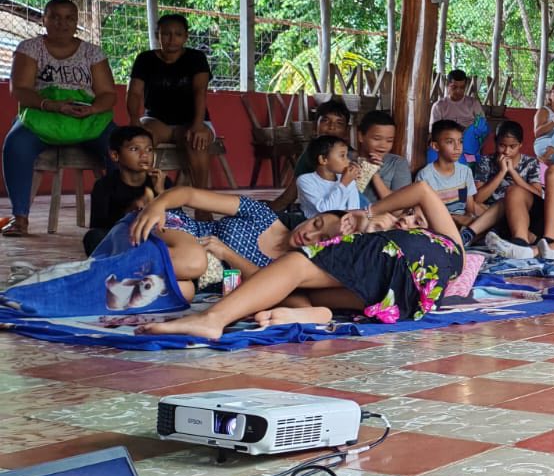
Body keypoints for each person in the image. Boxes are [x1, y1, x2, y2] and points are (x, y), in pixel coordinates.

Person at [138, 181, 461, 339]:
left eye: (416, 221)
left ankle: (212, 319)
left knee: (296, 266)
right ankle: (314, 313)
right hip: (408, 300)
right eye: (409, 216)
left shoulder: (429, 241)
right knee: (305, 288)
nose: (408, 220)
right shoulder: (453, 259)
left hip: (395, 256)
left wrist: (369, 211)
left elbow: (422, 189)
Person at [3, 0, 116, 238]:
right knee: (15, 144)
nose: (61, 23)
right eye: (54, 17)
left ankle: (121, 215)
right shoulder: (30, 48)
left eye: (69, 18)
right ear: (44, 20)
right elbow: (20, 89)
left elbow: (108, 94)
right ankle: (20, 217)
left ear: (76, 22)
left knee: (121, 146)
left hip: (86, 116)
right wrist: (51, 105)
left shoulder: (92, 52)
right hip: (42, 113)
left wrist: (92, 109)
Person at [127, 13, 214, 189]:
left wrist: (198, 126)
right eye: (166, 34)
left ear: (186, 37)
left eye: (178, 34)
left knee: (197, 141)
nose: (172, 39)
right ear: (157, 35)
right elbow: (134, 93)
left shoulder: (196, 58)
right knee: (140, 140)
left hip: (193, 121)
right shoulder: (145, 59)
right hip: (156, 121)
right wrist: (135, 122)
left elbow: (200, 92)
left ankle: (201, 198)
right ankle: (143, 193)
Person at [86, 126, 162, 255]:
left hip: (152, 236)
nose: (144, 154)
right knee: (93, 237)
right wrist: (130, 211)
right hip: (120, 239)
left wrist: (161, 193)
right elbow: (99, 226)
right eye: (134, 149)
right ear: (115, 155)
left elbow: (179, 221)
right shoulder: (104, 186)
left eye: (149, 149)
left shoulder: (160, 181)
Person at [470, 119, 544, 247]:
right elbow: (477, 198)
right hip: (490, 211)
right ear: (495, 142)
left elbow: (538, 195)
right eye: (502, 145)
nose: (507, 151)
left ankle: (491, 231)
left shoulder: (530, 163)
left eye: (512, 146)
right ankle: (504, 232)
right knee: (472, 206)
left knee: (511, 201)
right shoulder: (486, 161)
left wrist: (513, 173)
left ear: (520, 144)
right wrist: (502, 172)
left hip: (520, 213)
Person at [270, 99, 352, 213]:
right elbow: (289, 196)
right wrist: (266, 214)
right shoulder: (308, 157)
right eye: (325, 121)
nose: (331, 127)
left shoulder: (353, 157)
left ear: (346, 131)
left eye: (339, 123)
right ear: (314, 126)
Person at [415, 119, 480, 224]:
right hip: (438, 225)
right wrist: (454, 219)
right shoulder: (425, 176)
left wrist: (467, 219)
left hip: (463, 224)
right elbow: (426, 214)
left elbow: (470, 211)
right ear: (435, 146)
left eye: (460, 141)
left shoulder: (465, 172)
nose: (457, 147)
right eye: (450, 142)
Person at [352, 110, 411, 203]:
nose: (383, 145)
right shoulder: (345, 160)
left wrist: (374, 174)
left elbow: (400, 206)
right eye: (377, 139)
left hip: (384, 212)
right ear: (360, 136)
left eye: (389, 141)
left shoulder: (397, 163)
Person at [296, 135, 363, 216]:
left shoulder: (348, 179)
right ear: (323, 160)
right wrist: (343, 184)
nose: (348, 161)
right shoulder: (305, 180)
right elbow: (326, 211)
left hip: (345, 222)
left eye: (346, 156)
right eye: (342, 156)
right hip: (317, 223)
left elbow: (354, 209)